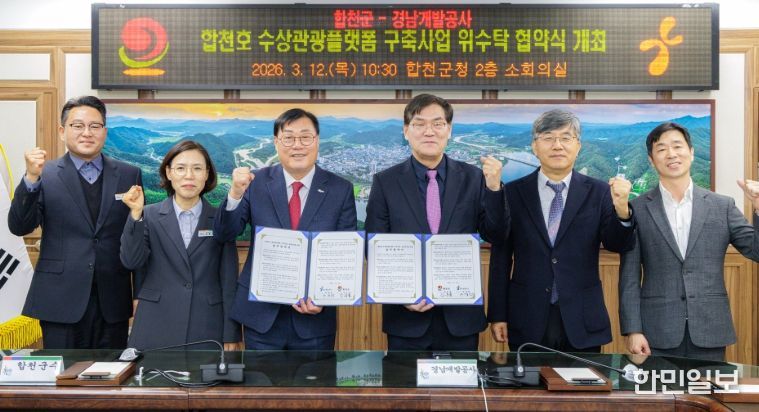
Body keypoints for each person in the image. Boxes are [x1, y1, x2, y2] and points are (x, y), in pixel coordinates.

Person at [364, 93, 507, 351]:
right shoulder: (385, 182)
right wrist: (401, 295)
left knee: (462, 379)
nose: (429, 131)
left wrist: (494, 188)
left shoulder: (474, 178)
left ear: (449, 130)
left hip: (461, 317)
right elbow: (373, 247)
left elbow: (496, 235)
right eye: (419, 124)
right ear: (406, 131)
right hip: (407, 318)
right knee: (404, 379)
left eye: (438, 124)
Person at [488, 109, 635, 353]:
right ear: (535, 147)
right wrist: (498, 314)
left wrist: (622, 209)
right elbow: (501, 257)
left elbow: (617, 244)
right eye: (548, 138)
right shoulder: (513, 193)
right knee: (529, 378)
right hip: (526, 315)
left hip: (583, 317)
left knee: (583, 379)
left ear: (578, 146)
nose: (557, 145)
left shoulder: (599, 192)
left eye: (566, 138)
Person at [214, 108, 357, 350]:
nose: (297, 145)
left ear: (317, 140)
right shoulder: (255, 183)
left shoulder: (340, 189)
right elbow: (224, 233)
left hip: (314, 320)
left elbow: (345, 253)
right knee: (260, 376)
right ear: (276, 142)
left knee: (315, 377)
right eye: (288, 138)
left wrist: (323, 297)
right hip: (261, 316)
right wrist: (235, 193)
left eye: (305, 137)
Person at [7, 96, 142, 349]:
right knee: (64, 371)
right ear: (62, 131)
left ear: (104, 132)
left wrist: (139, 293)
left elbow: (137, 234)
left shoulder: (129, 174)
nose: (87, 133)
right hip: (59, 297)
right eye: (77, 125)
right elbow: (19, 226)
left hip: (112, 299)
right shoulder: (45, 174)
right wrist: (31, 179)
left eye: (94, 126)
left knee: (111, 371)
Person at [619, 122, 759, 361]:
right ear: (651, 160)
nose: (671, 154)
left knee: (708, 388)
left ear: (691, 153)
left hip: (710, 329)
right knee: (658, 387)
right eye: (661, 149)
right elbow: (629, 276)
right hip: (656, 332)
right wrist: (633, 330)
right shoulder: (638, 209)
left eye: (677, 146)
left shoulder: (722, 206)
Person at [120, 140, 240, 351]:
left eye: (197, 169)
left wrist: (231, 333)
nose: (189, 176)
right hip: (155, 323)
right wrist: (136, 214)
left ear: (207, 174)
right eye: (181, 168)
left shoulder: (220, 219)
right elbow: (131, 261)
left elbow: (229, 279)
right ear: (168, 173)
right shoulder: (148, 215)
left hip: (207, 325)